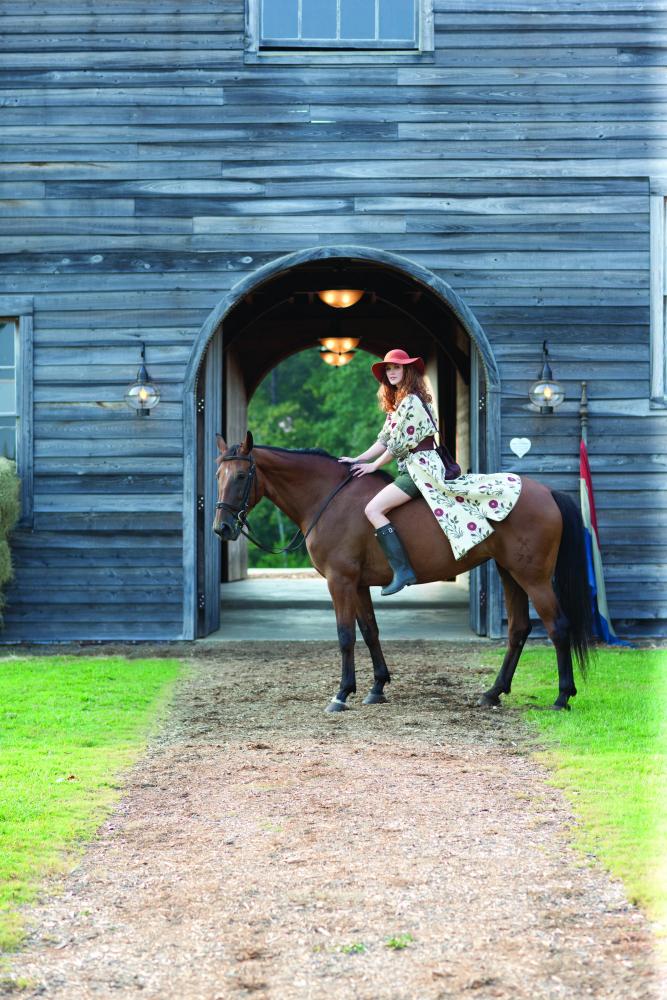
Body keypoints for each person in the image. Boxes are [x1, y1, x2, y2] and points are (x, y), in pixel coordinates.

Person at [339, 348, 522, 596]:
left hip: (421, 469)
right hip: (412, 467)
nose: (391, 372)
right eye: (388, 369)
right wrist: (359, 459)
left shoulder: (412, 401)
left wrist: (374, 466)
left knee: (373, 509)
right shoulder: (399, 404)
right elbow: (384, 439)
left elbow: (397, 445)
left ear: (407, 371)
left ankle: (402, 570)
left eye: (396, 367)